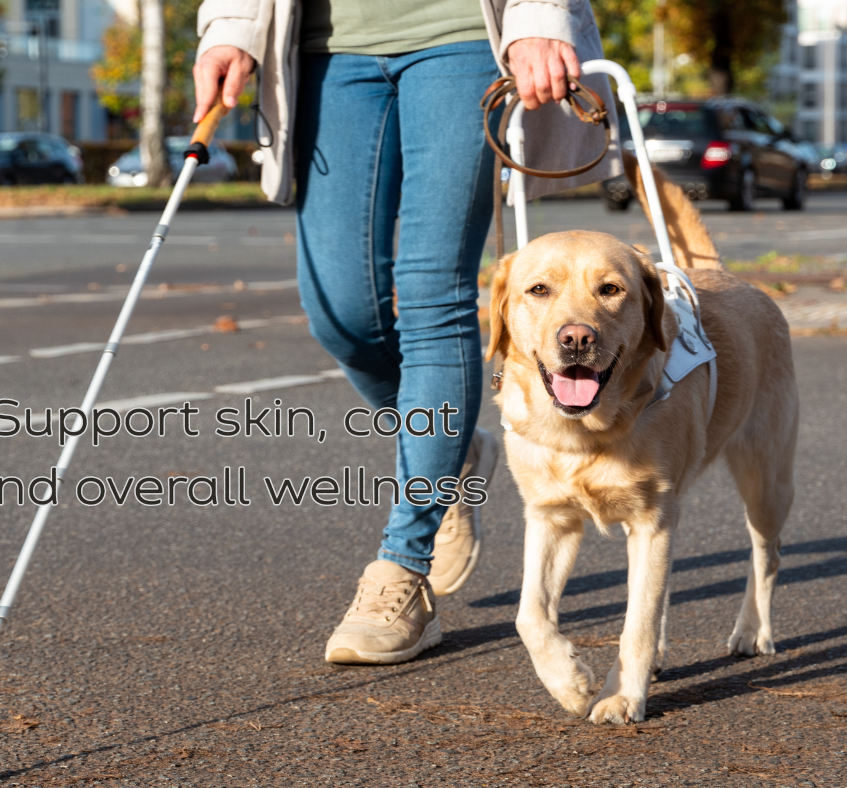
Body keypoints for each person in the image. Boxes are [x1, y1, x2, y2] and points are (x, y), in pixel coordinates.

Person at [193, 0, 620, 665]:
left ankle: (402, 569)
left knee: (433, 297)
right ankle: (448, 453)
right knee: (340, 314)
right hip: (324, 50)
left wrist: (539, 16)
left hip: (458, 38)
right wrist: (230, 28)